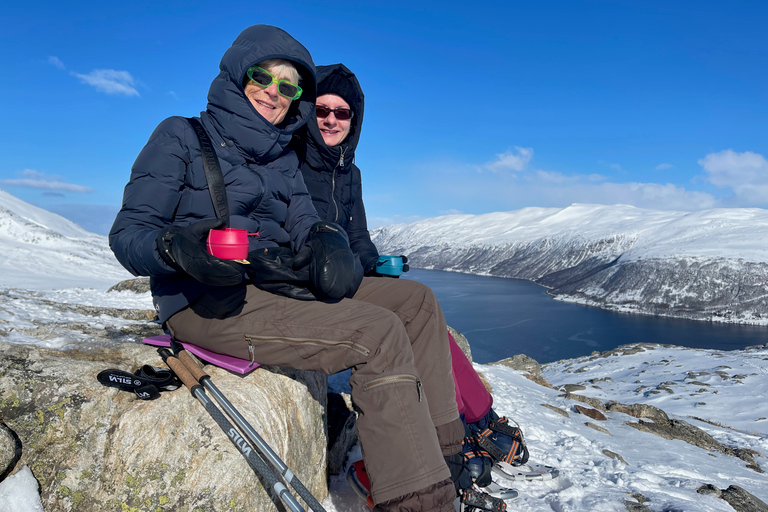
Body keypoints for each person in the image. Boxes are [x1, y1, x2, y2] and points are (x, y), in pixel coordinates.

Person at [109, 25, 469, 512]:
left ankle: (445, 459)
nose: (275, 94)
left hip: (277, 287)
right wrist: (178, 247)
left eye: (289, 86)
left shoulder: (282, 157)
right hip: (205, 299)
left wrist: (328, 244)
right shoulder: (180, 135)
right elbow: (128, 234)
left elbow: (305, 223)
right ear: (239, 75)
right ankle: (420, 504)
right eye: (264, 78)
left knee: (417, 302)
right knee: (377, 334)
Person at [296, 64, 528, 485]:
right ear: (307, 110)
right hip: (312, 286)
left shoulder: (350, 173)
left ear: (355, 120)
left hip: (344, 280)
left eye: (342, 113)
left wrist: (374, 264)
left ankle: (479, 418)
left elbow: (358, 237)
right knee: (401, 321)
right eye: (322, 109)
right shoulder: (290, 161)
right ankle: (462, 432)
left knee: (422, 310)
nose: (331, 119)